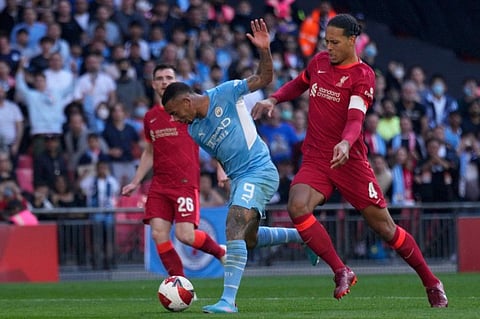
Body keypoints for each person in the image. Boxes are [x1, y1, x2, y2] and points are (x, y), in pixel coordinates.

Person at [251, 14, 448, 308]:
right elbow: (299, 83)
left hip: (350, 162)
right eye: (326, 41)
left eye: (334, 42)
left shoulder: (362, 75)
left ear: (352, 40)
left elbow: (356, 118)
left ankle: (432, 282)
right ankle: (341, 270)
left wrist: (345, 141)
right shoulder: (318, 62)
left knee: (385, 229)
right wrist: (274, 99)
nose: (328, 47)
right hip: (317, 157)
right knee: (297, 205)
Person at [162, 19, 318, 314]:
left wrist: (265, 50)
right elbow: (219, 153)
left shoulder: (227, 92)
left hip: (259, 170)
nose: (174, 120)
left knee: (233, 224)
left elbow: (265, 77)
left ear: (185, 101)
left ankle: (228, 301)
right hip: (240, 178)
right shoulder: (194, 130)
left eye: (174, 113)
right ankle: (304, 236)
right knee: (250, 239)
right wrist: (222, 171)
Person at [121, 64, 227, 277]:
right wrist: (135, 181)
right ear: (153, 84)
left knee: (185, 235)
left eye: (168, 77)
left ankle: (220, 252)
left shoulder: (190, 110)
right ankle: (179, 283)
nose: (164, 82)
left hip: (185, 183)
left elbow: (213, 139)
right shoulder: (150, 117)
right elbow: (149, 152)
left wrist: (220, 167)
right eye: (159, 78)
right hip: (160, 185)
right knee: (158, 234)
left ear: (176, 80)